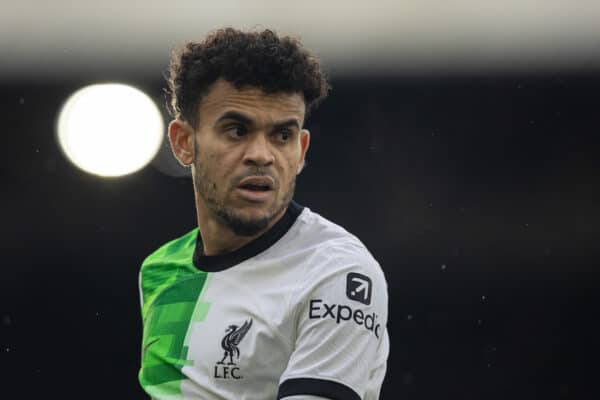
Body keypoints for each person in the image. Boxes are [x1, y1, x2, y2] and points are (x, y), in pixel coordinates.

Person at [138, 28, 389, 400]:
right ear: (183, 142)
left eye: (282, 136)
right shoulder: (160, 271)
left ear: (301, 151)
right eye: (237, 130)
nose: (261, 154)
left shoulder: (337, 272)